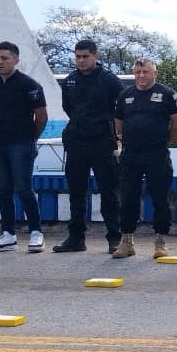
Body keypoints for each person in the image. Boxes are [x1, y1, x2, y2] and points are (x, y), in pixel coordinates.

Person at [53, 40, 124, 254]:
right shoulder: (70, 81)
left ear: (95, 56)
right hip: (76, 140)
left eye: (85, 56)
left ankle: (114, 237)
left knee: (108, 191)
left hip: (102, 141)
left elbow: (120, 108)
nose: (81, 60)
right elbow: (68, 108)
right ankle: (76, 238)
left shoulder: (109, 80)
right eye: (78, 57)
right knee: (76, 192)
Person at [111, 58, 177, 259]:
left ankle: (160, 242)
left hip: (156, 155)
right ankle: (127, 242)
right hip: (130, 156)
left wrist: (164, 141)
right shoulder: (125, 95)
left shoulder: (168, 94)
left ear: (154, 73)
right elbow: (118, 121)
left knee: (160, 199)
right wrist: (122, 138)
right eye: (138, 72)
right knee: (128, 199)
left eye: (145, 72)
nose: (141, 75)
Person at [0, 41, 49, 253]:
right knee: (3, 190)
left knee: (23, 188)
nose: (0, 62)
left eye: (4, 58)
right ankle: (8, 234)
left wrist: (30, 139)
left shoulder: (29, 85)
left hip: (22, 144)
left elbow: (41, 116)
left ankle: (36, 233)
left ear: (16, 60)